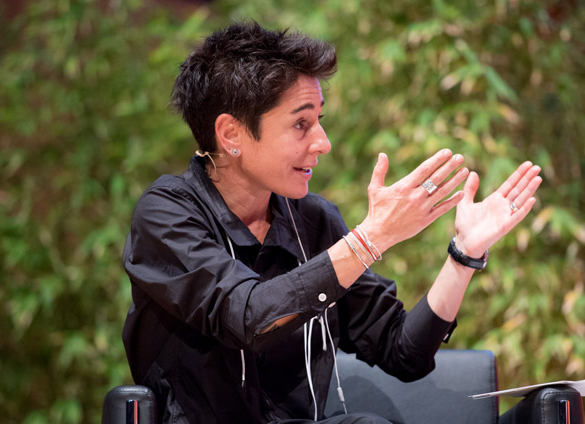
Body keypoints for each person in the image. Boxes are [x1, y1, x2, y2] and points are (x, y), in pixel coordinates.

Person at [121, 21, 542, 424]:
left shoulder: (313, 220)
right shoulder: (167, 213)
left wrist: (463, 256)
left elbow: (403, 352)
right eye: (301, 124)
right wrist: (372, 237)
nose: (322, 142)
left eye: (320, 120)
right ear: (231, 135)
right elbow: (249, 315)